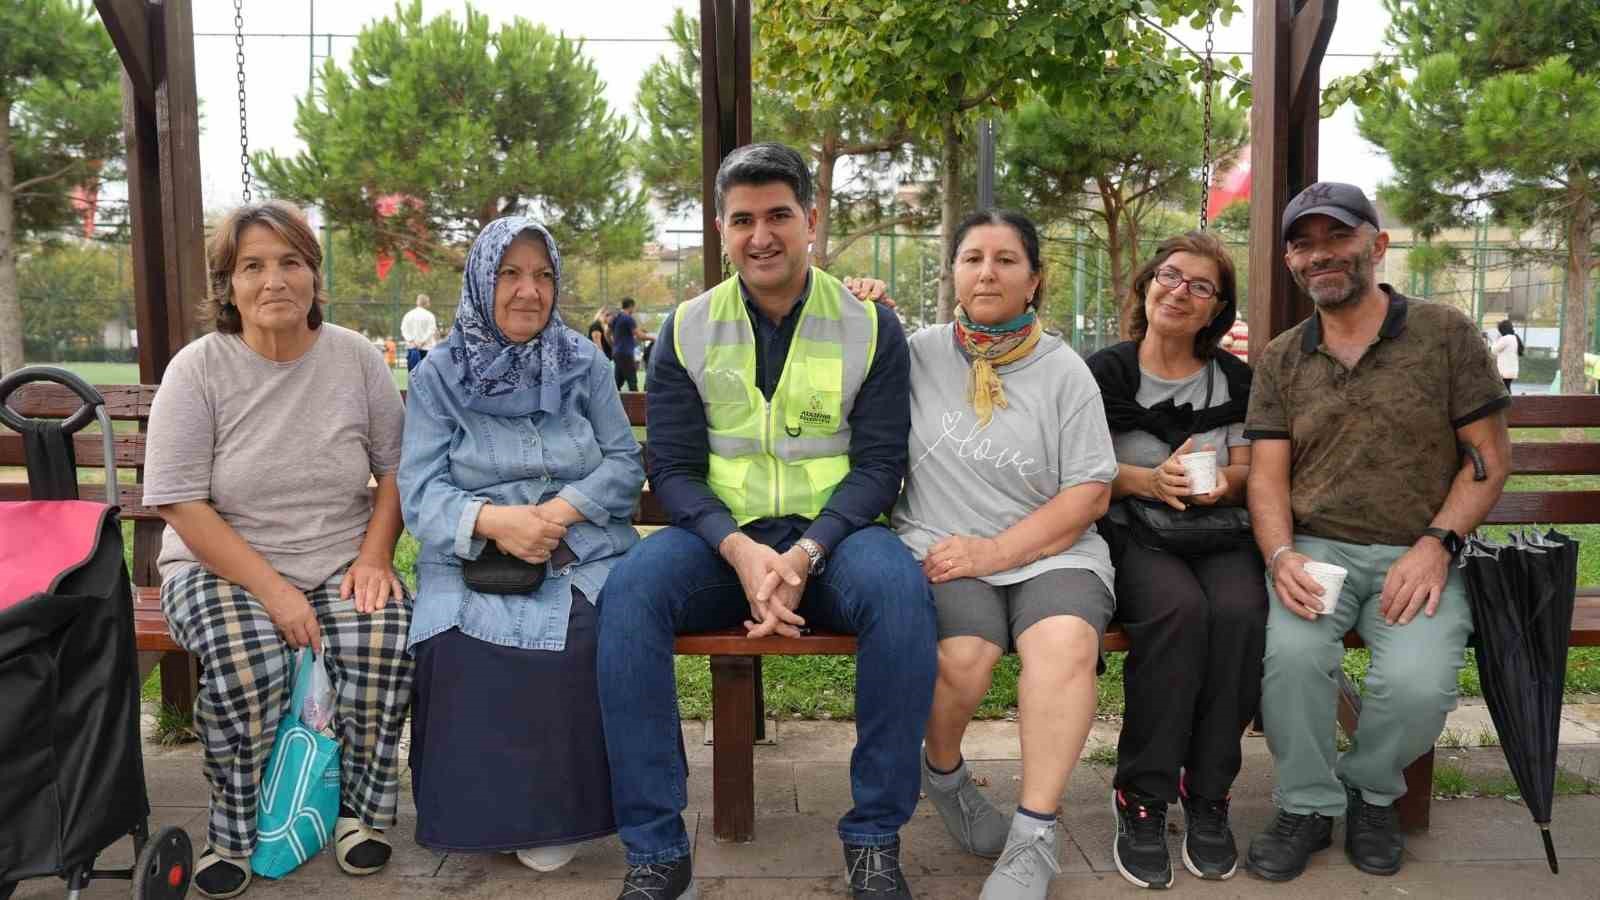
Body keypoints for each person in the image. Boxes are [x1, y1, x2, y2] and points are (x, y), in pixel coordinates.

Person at [596, 142, 936, 900]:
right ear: (721, 230)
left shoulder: (871, 326)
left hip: (837, 540)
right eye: (742, 219)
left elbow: (881, 465)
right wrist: (742, 551)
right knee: (630, 596)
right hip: (720, 543)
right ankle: (655, 850)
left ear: (811, 220)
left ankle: (876, 838)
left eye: (779, 214)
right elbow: (674, 469)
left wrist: (808, 552)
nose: (762, 235)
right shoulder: (686, 327)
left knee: (901, 596)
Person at [142, 201, 413, 899]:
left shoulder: (355, 358)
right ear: (227, 285)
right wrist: (275, 592)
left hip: (338, 556)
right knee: (247, 660)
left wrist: (376, 557)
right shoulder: (198, 369)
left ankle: (359, 815)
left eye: (291, 262)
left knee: (383, 638)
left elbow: (396, 470)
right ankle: (232, 831)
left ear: (315, 276)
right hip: (219, 564)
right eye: (252, 266)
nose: (274, 281)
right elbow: (178, 500)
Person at [1243, 183, 1510, 881]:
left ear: (1377, 244)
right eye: (1304, 242)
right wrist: (1280, 556)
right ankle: (1305, 804)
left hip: (1420, 547)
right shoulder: (1281, 358)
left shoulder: (1443, 333)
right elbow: (1267, 476)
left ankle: (1369, 792)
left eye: (1338, 237)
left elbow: (1489, 456)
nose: (1320, 254)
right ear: (1291, 261)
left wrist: (1436, 545)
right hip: (1317, 549)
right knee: (1294, 664)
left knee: (1418, 683)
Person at [397, 216, 644, 871]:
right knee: (454, 643)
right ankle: (485, 817)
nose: (528, 290)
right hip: (472, 555)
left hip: (581, 550)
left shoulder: (584, 362)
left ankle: (561, 816)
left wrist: (559, 512)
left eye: (542, 275)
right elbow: (418, 491)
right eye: (509, 273)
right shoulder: (438, 376)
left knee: (589, 635)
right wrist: (496, 522)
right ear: (482, 281)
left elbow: (624, 461)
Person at [895, 210, 1116, 900]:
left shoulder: (1064, 370)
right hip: (942, 545)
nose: (986, 271)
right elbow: (836, 343)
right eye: (971, 258)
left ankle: (1033, 836)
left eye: (1005, 260)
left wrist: (994, 551)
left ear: (1034, 280)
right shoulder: (916, 352)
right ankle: (945, 773)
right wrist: (862, 301)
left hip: (1052, 552)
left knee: (1065, 646)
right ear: (953, 273)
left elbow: (1088, 494)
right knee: (964, 657)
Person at [1086, 232, 1265, 888]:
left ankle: (1209, 794)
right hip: (1134, 530)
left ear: (1217, 307)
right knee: (1178, 612)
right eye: (1170, 275)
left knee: (1243, 612)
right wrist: (1147, 480)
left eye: (1200, 286)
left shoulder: (1238, 379)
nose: (1180, 292)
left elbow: (1249, 466)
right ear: (1146, 283)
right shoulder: (1104, 372)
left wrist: (1226, 482)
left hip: (1219, 529)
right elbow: (1080, 472)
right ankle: (1143, 795)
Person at [609, 296, 651, 391]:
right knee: (632, 381)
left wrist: (613, 344)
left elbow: (607, 332)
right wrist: (654, 338)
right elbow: (640, 336)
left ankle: (613, 402)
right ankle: (637, 404)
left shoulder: (616, 317)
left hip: (617, 353)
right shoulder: (628, 318)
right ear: (631, 306)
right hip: (625, 354)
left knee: (618, 381)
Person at [400, 293, 439, 372]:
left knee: (412, 374)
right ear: (427, 303)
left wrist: (412, 341)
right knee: (426, 375)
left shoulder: (408, 315)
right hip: (426, 348)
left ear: (417, 302)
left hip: (412, 347)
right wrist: (422, 342)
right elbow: (431, 330)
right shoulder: (430, 316)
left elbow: (403, 329)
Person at [1491, 318, 1522, 392]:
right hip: (1512, 370)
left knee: (1503, 389)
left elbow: (1494, 350)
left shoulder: (1505, 339)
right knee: (1506, 388)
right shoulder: (1514, 338)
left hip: (1504, 371)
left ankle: (1507, 403)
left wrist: (1497, 339)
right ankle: (1508, 402)